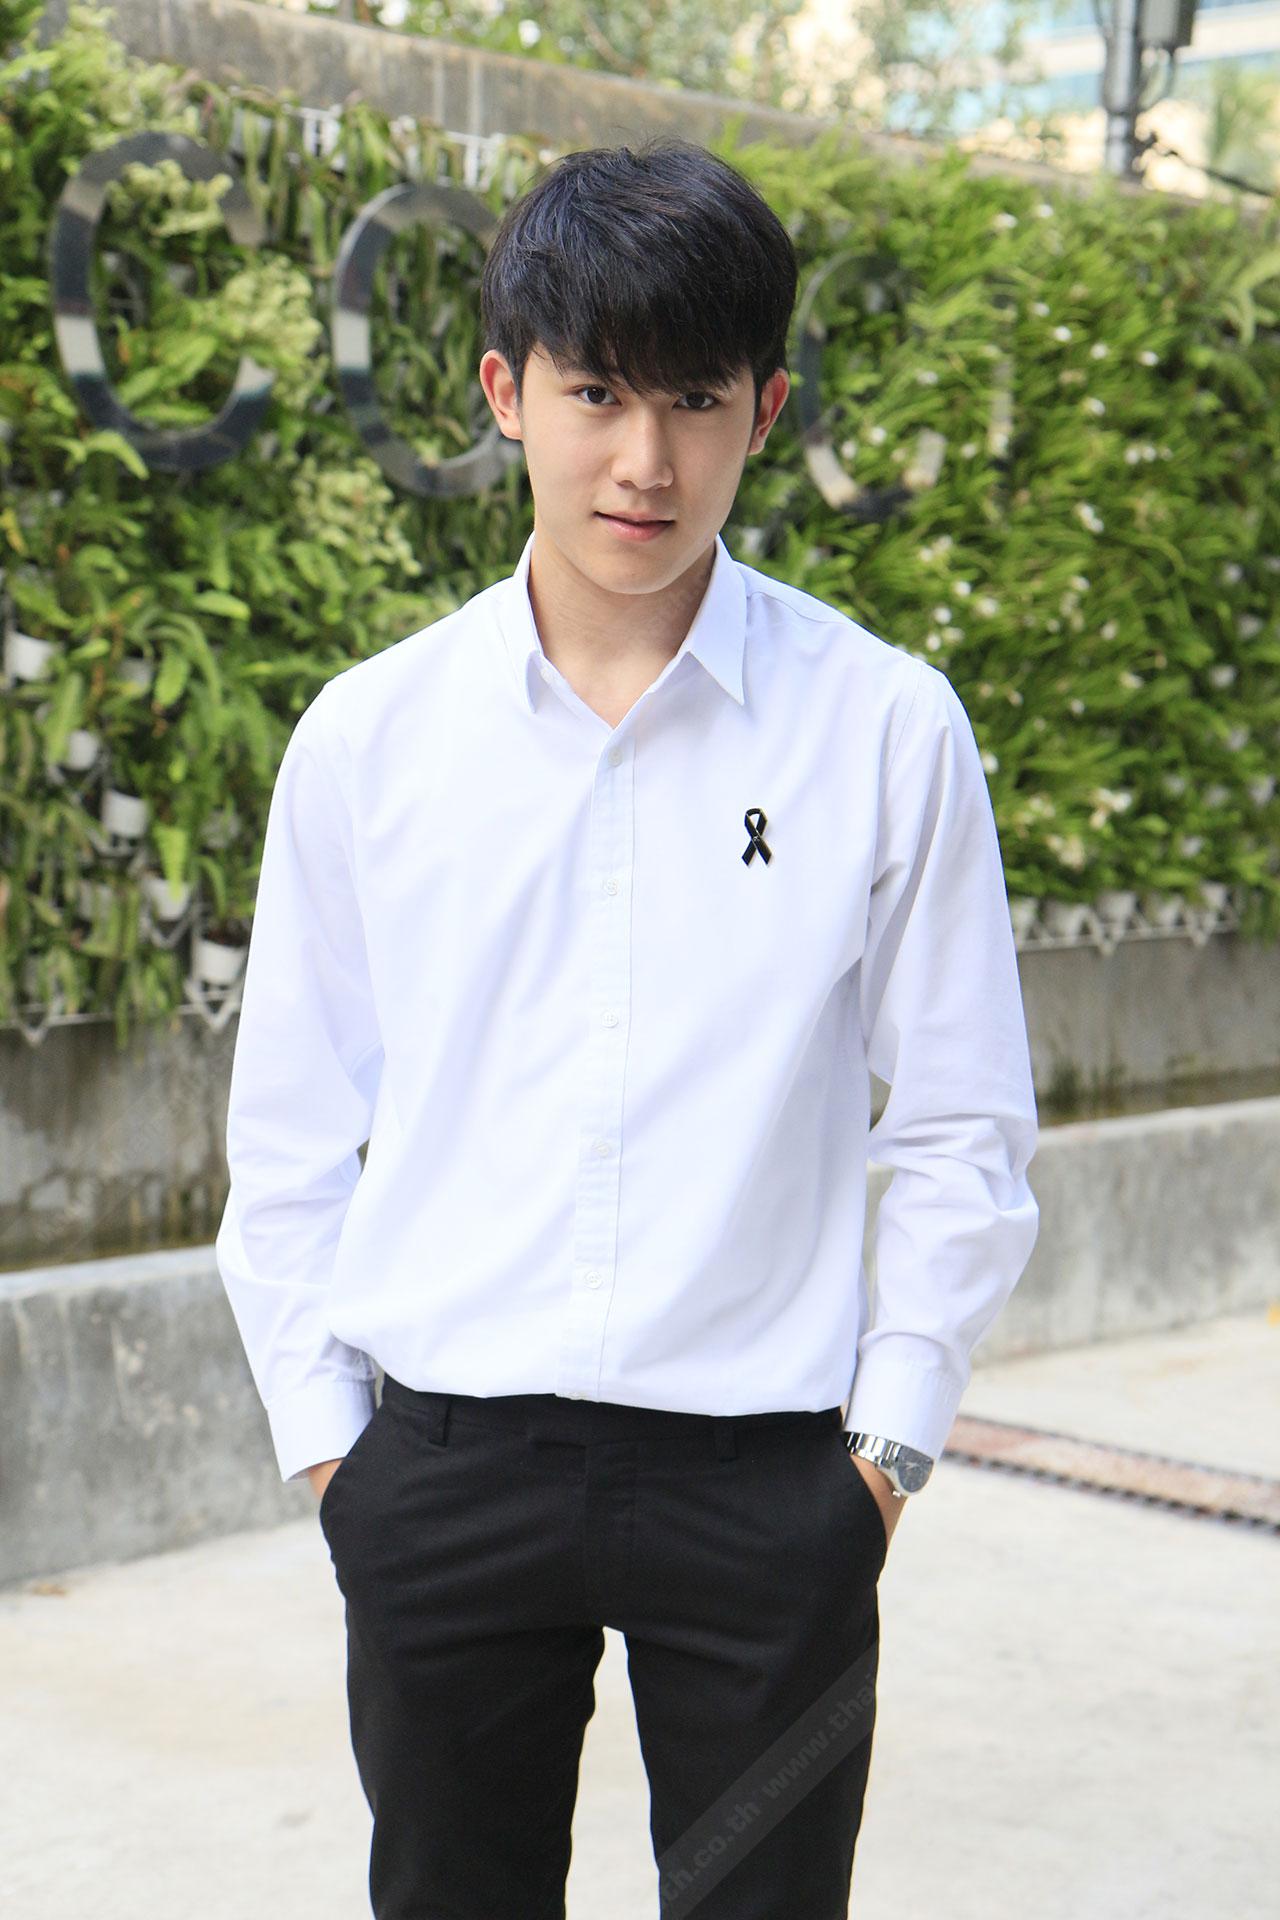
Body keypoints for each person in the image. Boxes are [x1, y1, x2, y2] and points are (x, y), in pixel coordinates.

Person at [215, 136, 1040, 1920]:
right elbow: (286, 1131)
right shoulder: (371, 739)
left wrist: (885, 1460)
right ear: (506, 393)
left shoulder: (885, 727)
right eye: (596, 392)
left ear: (768, 410)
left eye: (695, 398)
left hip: (769, 1495)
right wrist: (336, 1457)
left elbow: (963, 1125)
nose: (645, 460)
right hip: (440, 1476)